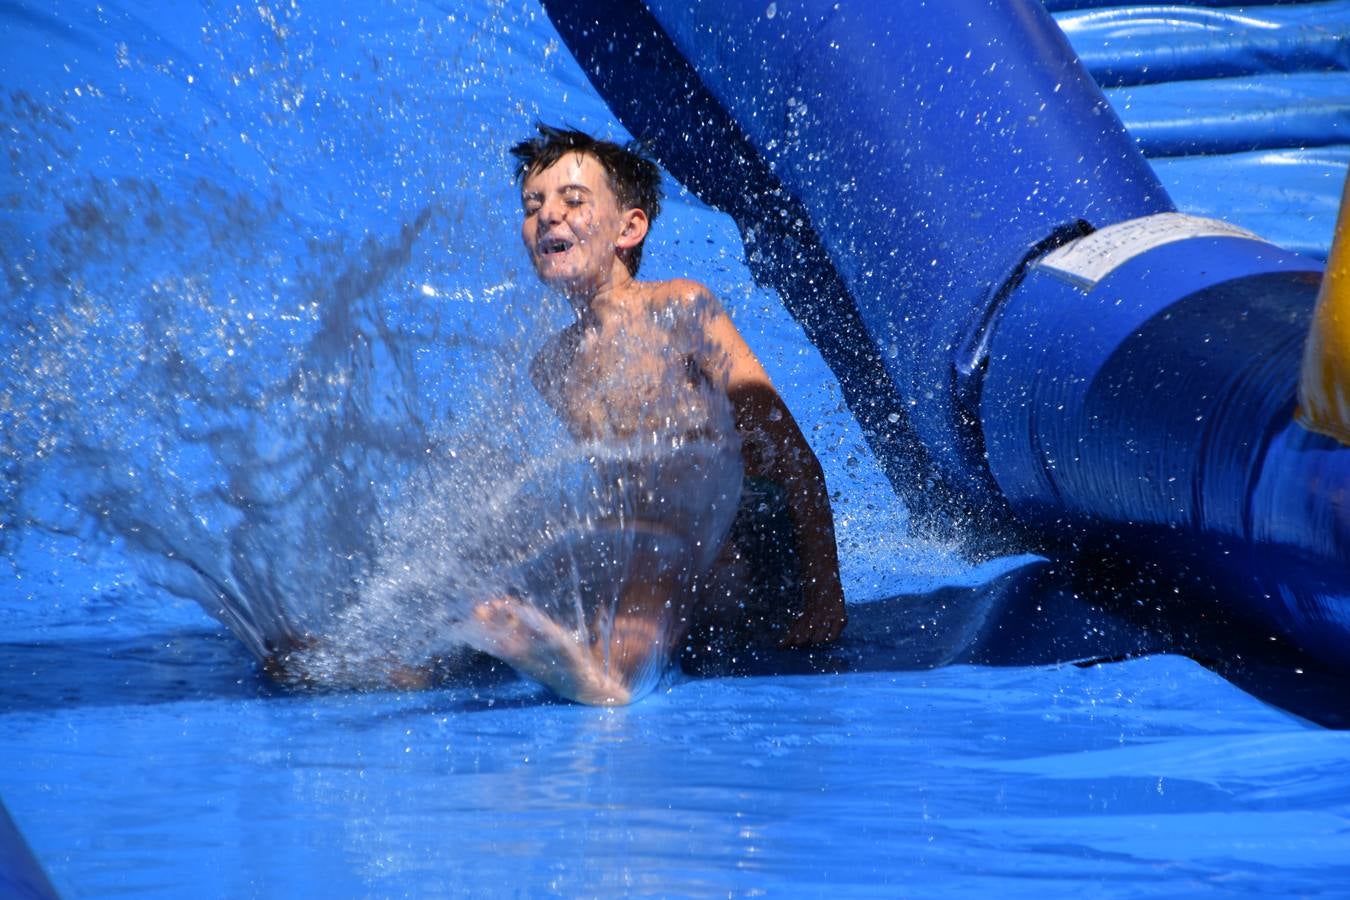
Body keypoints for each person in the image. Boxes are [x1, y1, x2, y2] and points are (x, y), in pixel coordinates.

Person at [460, 124, 847, 704]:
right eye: (532, 205)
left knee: (654, 544)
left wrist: (825, 598)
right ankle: (409, 661)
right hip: (659, 552)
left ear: (629, 228)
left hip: (750, 544)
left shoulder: (681, 310)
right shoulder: (553, 365)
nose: (548, 216)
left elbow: (792, 457)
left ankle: (613, 678)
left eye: (573, 200)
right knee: (506, 551)